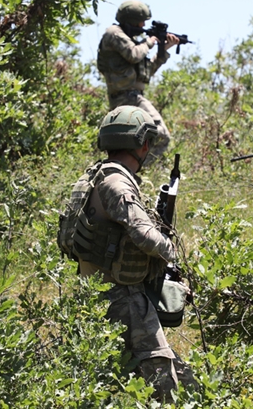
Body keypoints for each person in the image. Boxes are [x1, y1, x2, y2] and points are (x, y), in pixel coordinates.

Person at [60, 106, 195, 402]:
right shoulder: (117, 183)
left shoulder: (95, 176)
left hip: (98, 295)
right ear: (142, 144)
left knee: (166, 377)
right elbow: (143, 234)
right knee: (163, 383)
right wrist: (175, 256)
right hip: (123, 299)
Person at [96, 0, 180, 164]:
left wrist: (164, 49)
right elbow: (134, 54)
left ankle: (131, 168)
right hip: (127, 97)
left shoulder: (131, 41)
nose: (143, 25)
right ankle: (137, 169)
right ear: (131, 20)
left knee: (136, 141)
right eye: (141, 21)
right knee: (160, 134)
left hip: (132, 96)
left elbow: (145, 73)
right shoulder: (114, 33)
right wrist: (150, 41)